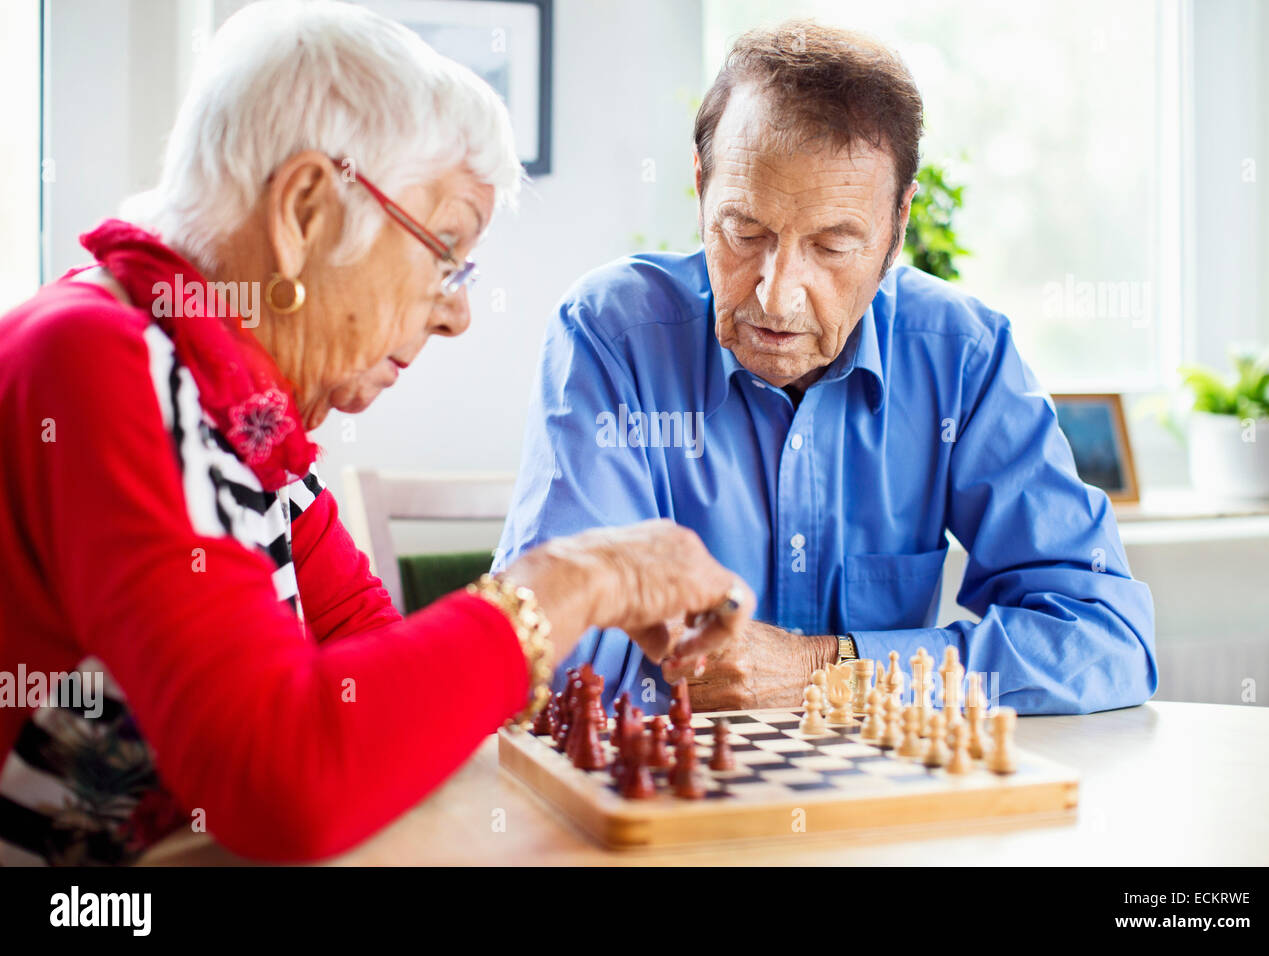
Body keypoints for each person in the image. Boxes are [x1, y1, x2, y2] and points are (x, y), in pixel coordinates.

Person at [0, 0, 753, 866]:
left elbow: (372, 670)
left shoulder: (245, 414)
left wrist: (573, 602)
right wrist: (580, 578)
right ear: (307, 212)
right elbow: (286, 782)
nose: (460, 312)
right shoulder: (100, 359)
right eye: (445, 251)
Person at [495, 21, 1157, 716]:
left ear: (897, 229)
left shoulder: (962, 355)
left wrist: (830, 669)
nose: (776, 293)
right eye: (744, 232)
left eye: (834, 246)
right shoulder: (611, 335)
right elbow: (545, 660)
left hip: (881, 809)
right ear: (699, 187)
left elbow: (1106, 640)